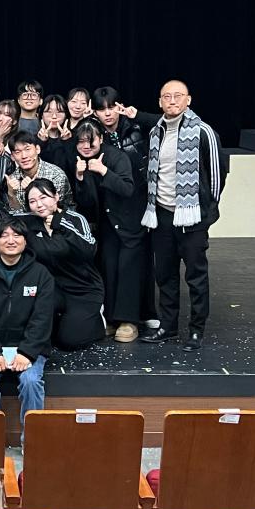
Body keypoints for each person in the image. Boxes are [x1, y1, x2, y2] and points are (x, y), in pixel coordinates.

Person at [139, 80, 227, 351]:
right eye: (167, 96)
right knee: (165, 276)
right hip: (162, 215)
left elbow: (217, 175)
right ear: (160, 102)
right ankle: (167, 327)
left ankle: (196, 330)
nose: (172, 100)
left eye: (178, 96)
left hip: (192, 216)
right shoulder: (156, 131)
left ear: (188, 100)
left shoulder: (203, 131)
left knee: (196, 276)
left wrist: (205, 211)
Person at [0, 219, 54, 433]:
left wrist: (27, 352)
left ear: (25, 241)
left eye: (16, 235)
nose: (11, 240)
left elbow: (42, 318)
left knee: (31, 381)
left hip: (29, 347)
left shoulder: (41, 274)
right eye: (4, 235)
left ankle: (32, 443)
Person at [91, 86, 161, 334]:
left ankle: (131, 318)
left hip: (135, 200)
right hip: (106, 203)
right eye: (102, 109)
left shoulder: (137, 126)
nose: (108, 113)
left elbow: (168, 122)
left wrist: (137, 115)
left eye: (112, 107)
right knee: (109, 261)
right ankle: (112, 317)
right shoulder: (93, 132)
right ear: (94, 112)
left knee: (133, 261)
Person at [69, 119, 140, 342]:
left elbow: (127, 189)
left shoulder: (117, 157)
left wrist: (104, 171)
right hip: (106, 224)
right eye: (80, 142)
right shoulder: (79, 161)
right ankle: (110, 318)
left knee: (127, 270)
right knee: (108, 269)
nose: (85, 146)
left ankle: (128, 321)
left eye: (90, 141)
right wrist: (80, 178)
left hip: (128, 223)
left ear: (100, 139)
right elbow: (86, 203)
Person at [24, 179, 106, 350]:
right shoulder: (30, 221)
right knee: (40, 335)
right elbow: (5, 220)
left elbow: (89, 249)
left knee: (69, 341)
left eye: (44, 197)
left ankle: (97, 320)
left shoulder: (74, 219)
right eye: (32, 201)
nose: (39, 204)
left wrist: (60, 224)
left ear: (56, 196)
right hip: (52, 288)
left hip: (82, 288)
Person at [5, 130, 73, 213]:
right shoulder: (12, 180)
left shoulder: (55, 175)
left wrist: (31, 189)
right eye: (17, 152)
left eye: (27, 149)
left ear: (37, 149)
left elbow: (55, 210)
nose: (24, 156)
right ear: (12, 156)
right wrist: (12, 194)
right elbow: (15, 214)